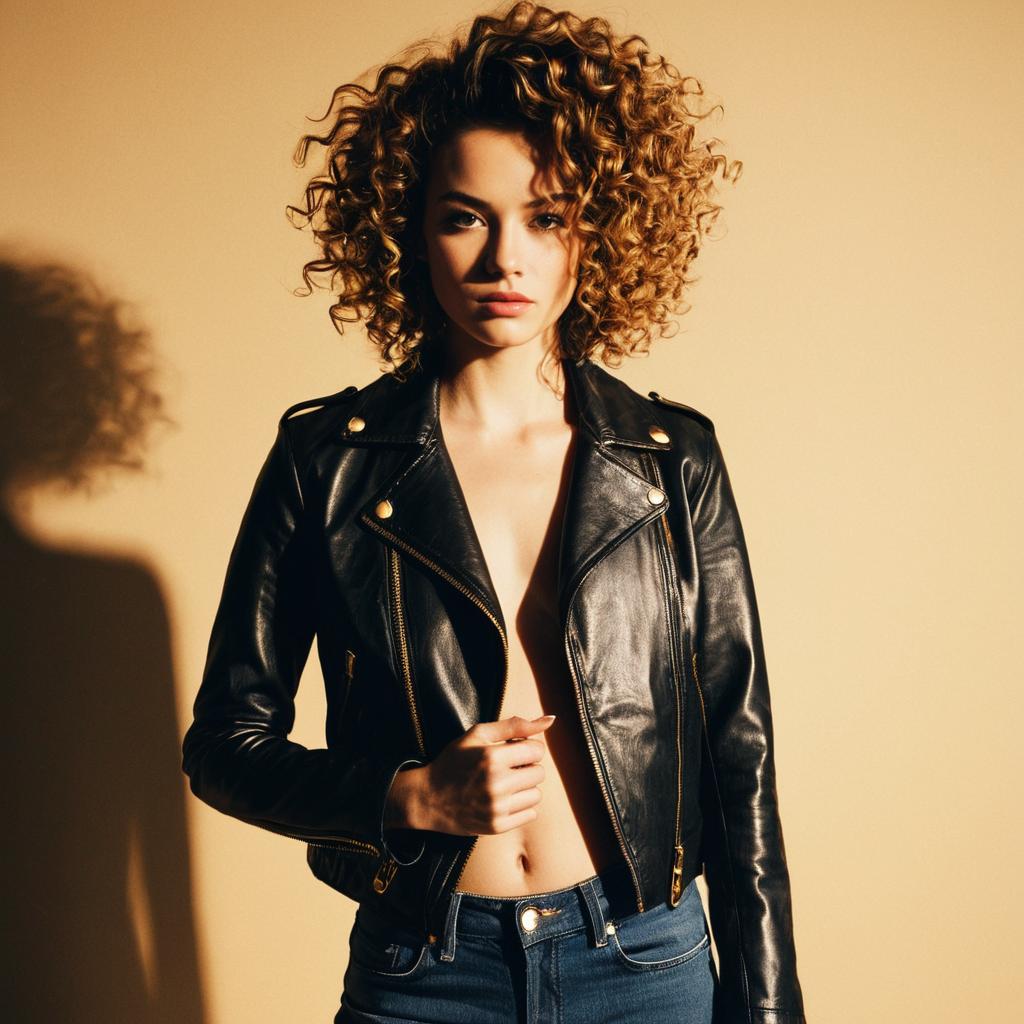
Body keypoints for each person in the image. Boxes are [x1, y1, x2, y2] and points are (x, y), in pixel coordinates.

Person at [181, 3, 807, 1022]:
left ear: (593, 234)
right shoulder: (325, 462)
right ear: (408, 228)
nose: (503, 258)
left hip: (644, 962)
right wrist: (405, 798)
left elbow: (742, 758)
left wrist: (769, 1009)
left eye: (546, 217)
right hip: (427, 970)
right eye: (464, 215)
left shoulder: (669, 457)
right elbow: (224, 743)